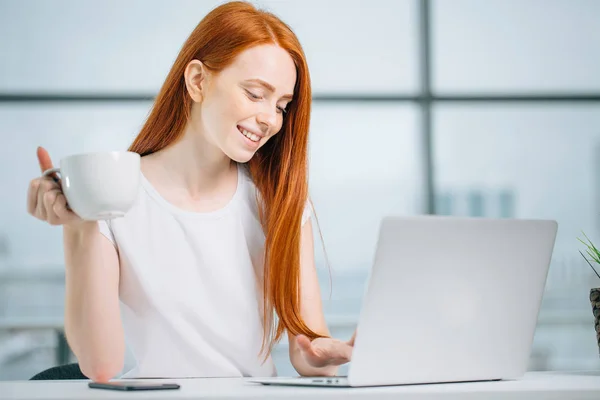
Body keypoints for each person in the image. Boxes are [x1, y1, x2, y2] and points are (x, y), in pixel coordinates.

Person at [26, 1, 355, 383]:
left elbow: (307, 346)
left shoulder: (280, 203)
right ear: (198, 81)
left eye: (282, 105)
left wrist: (325, 356)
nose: (271, 119)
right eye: (254, 94)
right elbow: (101, 366)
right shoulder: (114, 197)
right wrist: (79, 224)